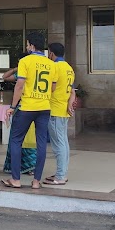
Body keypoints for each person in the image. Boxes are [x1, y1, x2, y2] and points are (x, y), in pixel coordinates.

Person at [1, 32, 58, 189]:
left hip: (27, 107)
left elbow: (19, 85)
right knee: (41, 144)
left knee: (16, 140)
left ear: (32, 46)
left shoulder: (25, 61)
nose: (27, 47)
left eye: (27, 44)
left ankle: (15, 179)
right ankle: (36, 181)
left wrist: (12, 107)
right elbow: (53, 87)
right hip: (44, 108)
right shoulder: (51, 64)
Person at [45, 42, 76, 186]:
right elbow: (72, 91)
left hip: (55, 109)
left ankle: (60, 176)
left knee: (58, 144)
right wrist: (69, 103)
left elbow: (51, 87)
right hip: (63, 109)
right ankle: (62, 172)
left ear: (51, 53)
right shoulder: (69, 68)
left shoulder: (55, 67)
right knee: (63, 142)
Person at [1, 63, 37, 175]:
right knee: (25, 138)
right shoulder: (23, 73)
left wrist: (12, 107)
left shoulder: (25, 74)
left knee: (24, 138)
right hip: (34, 108)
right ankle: (27, 167)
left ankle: (25, 166)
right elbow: (4, 77)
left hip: (24, 107)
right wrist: (15, 69)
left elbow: (16, 85)